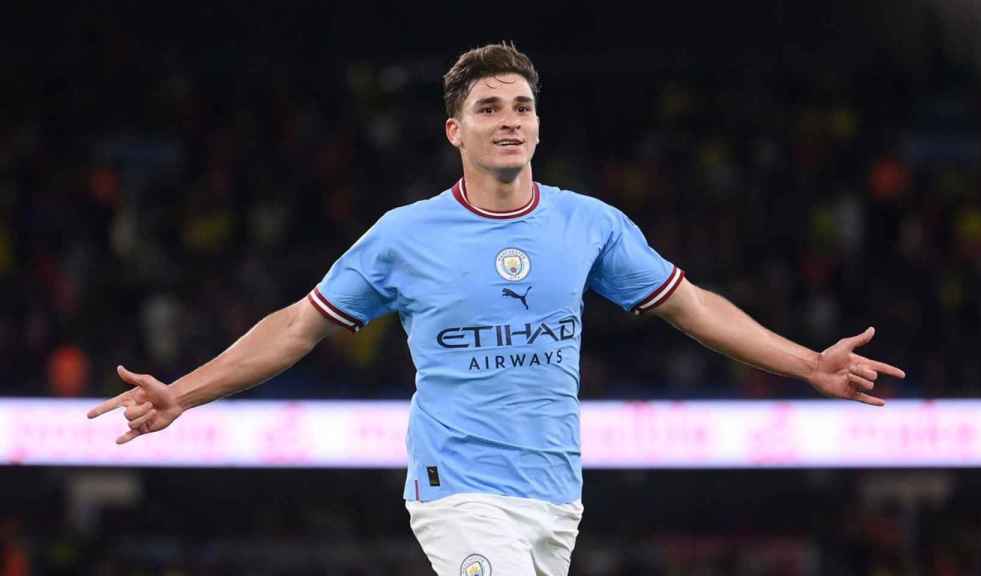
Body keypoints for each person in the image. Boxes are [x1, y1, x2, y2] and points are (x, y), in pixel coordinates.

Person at [87, 42, 906, 576]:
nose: (507, 121)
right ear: (455, 130)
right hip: (458, 486)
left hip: (556, 493)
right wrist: (184, 392)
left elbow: (691, 309)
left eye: (520, 107)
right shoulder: (404, 236)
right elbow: (298, 326)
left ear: (539, 126)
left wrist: (808, 361)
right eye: (488, 109)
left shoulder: (590, 225)